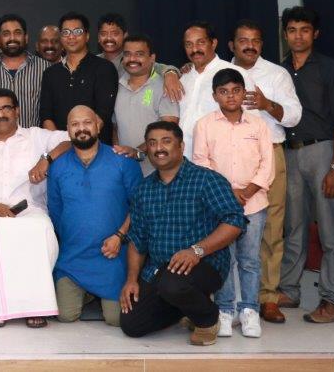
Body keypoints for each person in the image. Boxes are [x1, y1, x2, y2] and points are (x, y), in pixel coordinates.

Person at [120, 121, 247, 346]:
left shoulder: (207, 180)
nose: (159, 148)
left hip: (204, 264)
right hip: (159, 270)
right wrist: (131, 280)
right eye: (152, 143)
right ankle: (186, 308)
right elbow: (137, 240)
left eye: (166, 141)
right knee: (132, 324)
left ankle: (208, 319)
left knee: (173, 283)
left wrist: (196, 251)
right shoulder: (143, 189)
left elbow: (234, 221)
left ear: (181, 146)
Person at [278, 6, 334, 324]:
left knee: (331, 230)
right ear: (285, 34)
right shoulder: (279, 71)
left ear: (315, 34)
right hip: (289, 153)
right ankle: (289, 290)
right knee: (293, 227)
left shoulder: (331, 69)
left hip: (323, 151)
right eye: (292, 30)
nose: (298, 36)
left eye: (304, 30)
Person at [0, 89, 63, 327]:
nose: (1, 114)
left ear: (17, 110)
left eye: (6, 108)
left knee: (41, 229)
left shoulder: (35, 137)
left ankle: (34, 306)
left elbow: (70, 140)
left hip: (28, 209)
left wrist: (46, 159)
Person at [227, 19, 303, 324]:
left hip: (269, 154)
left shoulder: (276, 74)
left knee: (271, 226)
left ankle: (268, 297)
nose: (250, 45)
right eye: (243, 40)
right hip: (228, 156)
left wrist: (267, 104)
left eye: (255, 40)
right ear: (232, 45)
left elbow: (294, 116)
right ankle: (228, 296)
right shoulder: (219, 71)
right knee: (225, 225)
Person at [192, 69, 274, 338]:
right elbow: (201, 163)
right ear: (215, 95)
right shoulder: (204, 125)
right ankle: (225, 309)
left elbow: (267, 164)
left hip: (254, 203)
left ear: (243, 93)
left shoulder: (258, 125)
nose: (230, 96)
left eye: (236, 91)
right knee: (223, 258)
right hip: (219, 206)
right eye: (224, 92)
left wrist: (247, 191)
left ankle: (249, 310)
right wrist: (228, 193)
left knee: (250, 260)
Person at [48, 106, 142, 328]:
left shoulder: (123, 161)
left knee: (116, 319)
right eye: (75, 124)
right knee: (65, 315)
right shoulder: (58, 166)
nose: (81, 129)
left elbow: (140, 205)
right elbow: (56, 210)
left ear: (98, 126)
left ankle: (97, 294)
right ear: (68, 130)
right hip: (73, 257)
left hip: (112, 255)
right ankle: (88, 293)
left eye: (87, 122)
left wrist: (120, 236)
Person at [38, 12, 118, 143]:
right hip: (60, 148)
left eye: (77, 31)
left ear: (87, 36)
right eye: (66, 32)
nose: (71, 36)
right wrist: (61, 144)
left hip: (96, 147)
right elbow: (46, 116)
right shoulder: (50, 73)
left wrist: (80, 145)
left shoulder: (104, 68)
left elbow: (103, 113)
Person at [178, 21, 252, 157]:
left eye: (201, 42)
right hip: (185, 157)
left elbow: (250, 120)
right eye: (189, 44)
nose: (194, 49)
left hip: (222, 157)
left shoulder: (235, 73)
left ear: (213, 43)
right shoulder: (183, 78)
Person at [112, 34, 180, 174]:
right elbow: (115, 127)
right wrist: (119, 153)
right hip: (125, 169)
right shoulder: (116, 85)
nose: (132, 59)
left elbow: (169, 128)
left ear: (152, 58)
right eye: (127, 54)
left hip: (156, 172)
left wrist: (137, 151)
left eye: (139, 54)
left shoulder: (165, 86)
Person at [0, 14, 50, 128]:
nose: (12, 38)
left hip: (34, 139)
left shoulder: (45, 68)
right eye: (6, 34)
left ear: (26, 38)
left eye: (17, 33)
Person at [96, 14, 183, 101]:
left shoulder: (131, 61)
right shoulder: (93, 62)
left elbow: (160, 67)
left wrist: (170, 74)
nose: (109, 38)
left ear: (125, 36)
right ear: (98, 37)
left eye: (115, 34)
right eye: (103, 34)